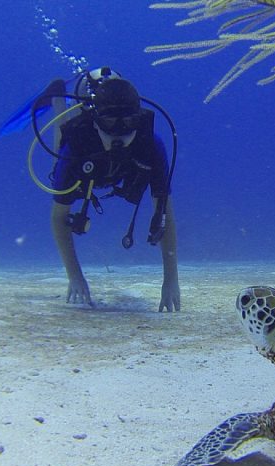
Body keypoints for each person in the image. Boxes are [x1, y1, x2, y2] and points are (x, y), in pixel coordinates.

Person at [45, 68, 180, 311]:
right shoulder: (77, 145)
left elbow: (164, 215)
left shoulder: (150, 146)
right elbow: (59, 218)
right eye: (108, 123)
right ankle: (59, 101)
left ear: (139, 120)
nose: (119, 133)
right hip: (86, 161)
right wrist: (75, 276)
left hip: (117, 168)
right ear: (96, 123)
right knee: (61, 146)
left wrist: (171, 280)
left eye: (128, 123)